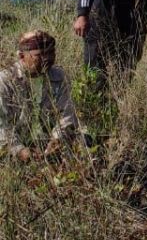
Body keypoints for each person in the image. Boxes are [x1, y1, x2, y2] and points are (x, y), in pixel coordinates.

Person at [0, 31, 84, 161]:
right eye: (40, 55)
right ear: (22, 56)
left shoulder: (59, 76)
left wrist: (57, 141)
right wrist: (20, 151)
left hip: (47, 142)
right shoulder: (5, 81)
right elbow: (2, 127)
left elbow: (66, 116)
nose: (47, 59)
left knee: (85, 142)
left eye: (51, 53)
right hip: (13, 145)